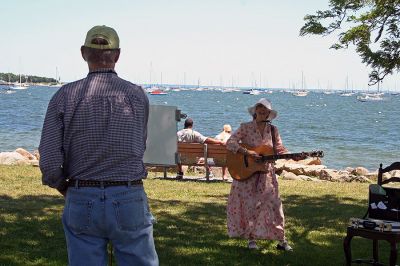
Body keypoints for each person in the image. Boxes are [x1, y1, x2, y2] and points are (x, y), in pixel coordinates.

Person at [39, 25, 158, 266]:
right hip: (128, 194)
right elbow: (140, 144)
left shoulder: (64, 95)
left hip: (82, 195)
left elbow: (50, 159)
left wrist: (64, 186)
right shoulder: (136, 95)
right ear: (117, 55)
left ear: (83, 53)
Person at [226, 98, 303, 251]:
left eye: (265, 109)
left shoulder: (273, 131)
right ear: (255, 111)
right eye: (259, 108)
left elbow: (280, 150)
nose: (261, 111)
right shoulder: (245, 127)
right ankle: (251, 239)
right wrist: (247, 152)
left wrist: (293, 156)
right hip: (247, 174)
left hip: (267, 175)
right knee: (250, 206)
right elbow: (230, 142)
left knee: (274, 206)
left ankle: (281, 240)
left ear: (269, 113)